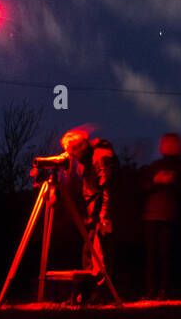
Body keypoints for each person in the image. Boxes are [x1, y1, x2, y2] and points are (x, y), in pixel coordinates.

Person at [30, 128, 117, 304]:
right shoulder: (83, 154)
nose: (71, 157)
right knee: (88, 253)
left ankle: (102, 295)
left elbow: (108, 189)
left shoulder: (100, 157)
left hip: (102, 211)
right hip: (91, 210)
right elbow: (69, 169)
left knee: (99, 255)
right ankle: (88, 296)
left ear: (79, 149)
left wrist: (105, 217)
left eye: (71, 153)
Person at [140, 133, 181, 300]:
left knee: (166, 254)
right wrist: (155, 181)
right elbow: (142, 187)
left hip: (168, 215)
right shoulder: (155, 166)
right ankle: (151, 290)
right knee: (151, 256)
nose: (165, 145)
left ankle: (165, 289)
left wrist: (172, 181)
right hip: (151, 215)